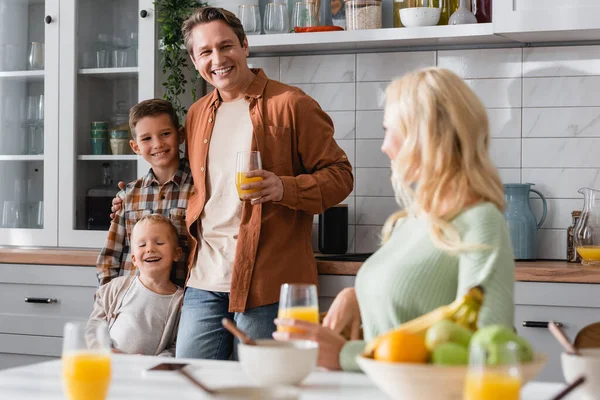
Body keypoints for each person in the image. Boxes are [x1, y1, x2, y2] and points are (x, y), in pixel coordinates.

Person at [273, 67, 515, 371]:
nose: (384, 146)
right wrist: (356, 294)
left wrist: (347, 355)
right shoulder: (411, 221)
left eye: (390, 130)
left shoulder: (481, 223)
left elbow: (489, 354)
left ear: (425, 135)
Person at [177, 7, 353, 360]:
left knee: (266, 387)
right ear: (196, 61)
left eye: (226, 46)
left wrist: (284, 188)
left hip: (268, 282)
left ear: (244, 45)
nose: (218, 59)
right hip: (204, 279)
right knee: (190, 382)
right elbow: (199, 188)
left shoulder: (292, 104)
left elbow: (341, 175)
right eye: (205, 52)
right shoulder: (197, 113)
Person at [96, 99, 193, 287]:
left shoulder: (199, 191)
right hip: (130, 302)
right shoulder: (128, 195)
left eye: (165, 134)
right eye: (146, 138)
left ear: (180, 135)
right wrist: (108, 301)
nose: (157, 144)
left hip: (181, 302)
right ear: (135, 147)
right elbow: (110, 256)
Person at [87, 214, 185, 356]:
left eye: (159, 243)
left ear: (177, 254)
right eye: (142, 245)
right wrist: (104, 350)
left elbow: (176, 347)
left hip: (146, 373)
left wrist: (149, 362)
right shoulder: (117, 287)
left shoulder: (181, 301)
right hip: (109, 364)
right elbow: (95, 325)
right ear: (133, 259)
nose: (150, 249)